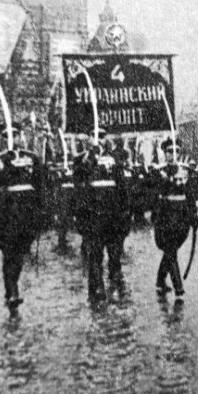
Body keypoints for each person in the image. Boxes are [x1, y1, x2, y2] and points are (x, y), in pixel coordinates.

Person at [0, 122, 46, 315]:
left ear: (21, 136)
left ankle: (12, 286)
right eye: (7, 135)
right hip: (8, 212)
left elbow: (40, 184)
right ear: (3, 139)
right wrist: (4, 167)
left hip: (27, 212)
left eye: (15, 134)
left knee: (20, 254)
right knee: (9, 252)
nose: (12, 138)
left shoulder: (31, 157)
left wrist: (41, 211)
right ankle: (12, 291)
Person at [73, 128, 130, 300]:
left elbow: (121, 186)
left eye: (102, 136)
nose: (99, 139)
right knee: (95, 252)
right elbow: (79, 182)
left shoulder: (114, 157)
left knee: (113, 251)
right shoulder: (83, 158)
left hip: (112, 213)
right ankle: (96, 288)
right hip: (93, 213)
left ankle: (114, 279)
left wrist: (125, 211)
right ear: (89, 138)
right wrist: (91, 157)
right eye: (95, 136)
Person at [150, 138, 198, 297]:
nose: (174, 154)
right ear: (165, 153)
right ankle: (178, 286)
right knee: (170, 250)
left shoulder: (185, 170)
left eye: (177, 151)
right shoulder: (159, 170)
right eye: (170, 152)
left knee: (172, 250)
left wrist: (194, 215)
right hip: (166, 214)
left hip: (182, 215)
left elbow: (192, 195)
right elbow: (154, 192)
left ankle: (160, 280)